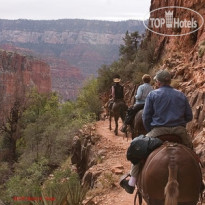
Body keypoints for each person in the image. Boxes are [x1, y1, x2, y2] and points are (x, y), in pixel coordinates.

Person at [120, 69, 193, 194]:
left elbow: (146, 117)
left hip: (158, 131)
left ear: (158, 82)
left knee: (139, 148)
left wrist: (150, 130)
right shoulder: (181, 94)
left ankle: (131, 183)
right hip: (179, 131)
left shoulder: (153, 95)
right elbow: (189, 116)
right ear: (169, 81)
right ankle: (200, 182)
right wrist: (180, 125)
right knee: (192, 152)